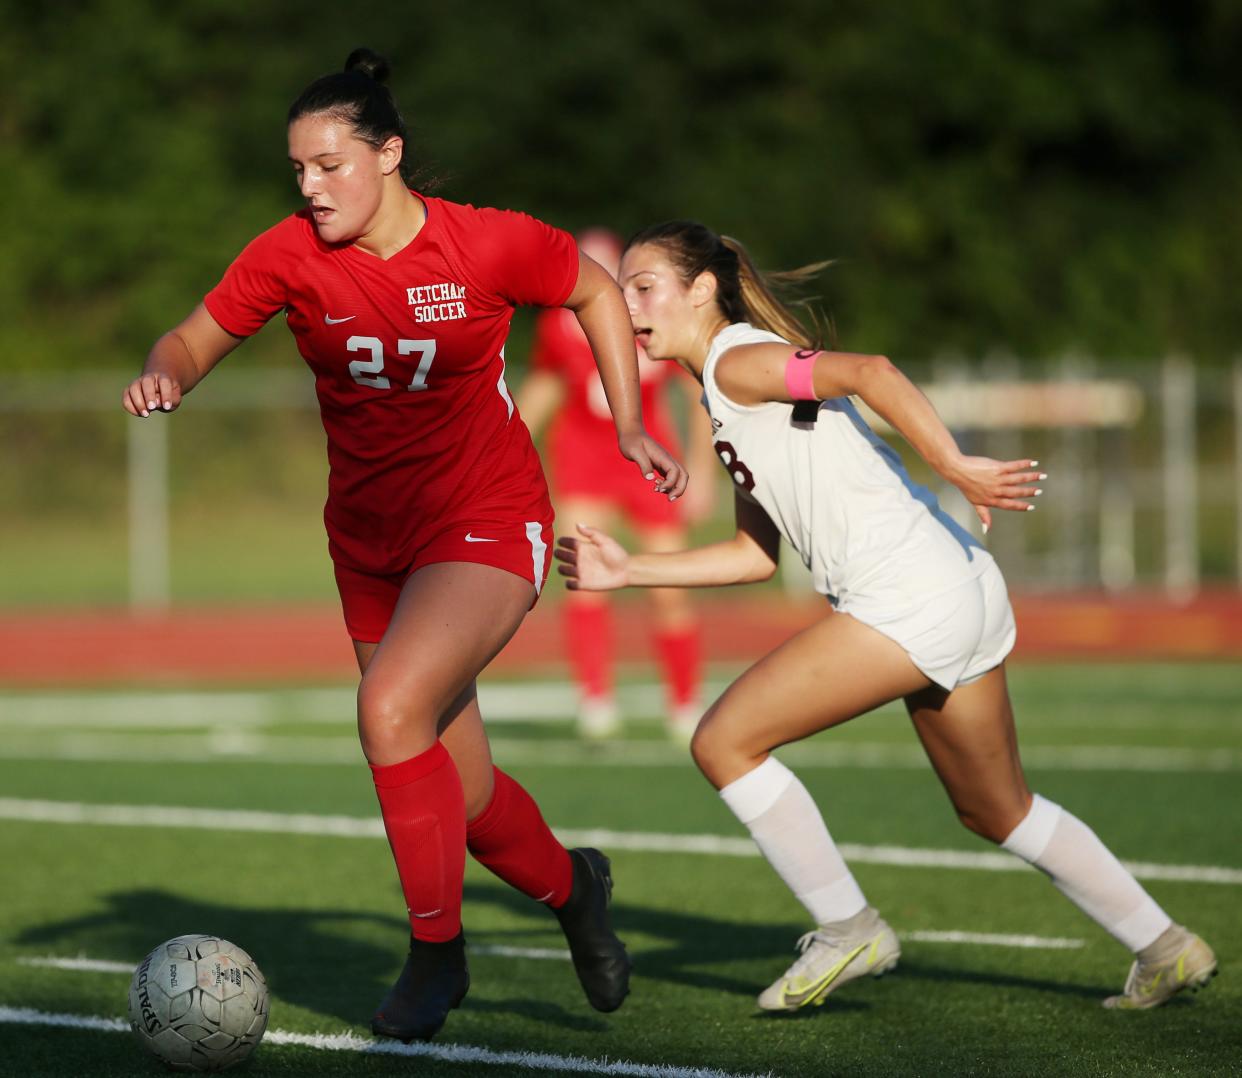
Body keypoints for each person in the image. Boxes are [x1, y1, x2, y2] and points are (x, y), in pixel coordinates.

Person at [121, 50, 688, 1043]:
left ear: (390, 155)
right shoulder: (287, 255)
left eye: (330, 165)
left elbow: (596, 293)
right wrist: (164, 374)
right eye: (297, 169)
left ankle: (436, 955)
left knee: (388, 708)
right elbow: (191, 339)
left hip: (484, 512)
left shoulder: (483, 243)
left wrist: (634, 421)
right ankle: (574, 889)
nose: (310, 187)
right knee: (457, 793)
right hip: (370, 541)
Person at [556, 220, 1217, 1013]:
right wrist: (631, 570)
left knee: (724, 740)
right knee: (995, 808)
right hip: (960, 586)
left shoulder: (736, 361)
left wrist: (954, 464)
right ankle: (1166, 946)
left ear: (702, 289)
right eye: (622, 288)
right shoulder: (725, 386)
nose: (627, 306)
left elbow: (870, 369)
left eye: (644, 286)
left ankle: (848, 928)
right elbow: (754, 555)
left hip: (909, 597)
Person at [517, 228, 716, 740]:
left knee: (670, 587)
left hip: (647, 464)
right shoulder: (559, 327)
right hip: (584, 464)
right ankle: (595, 698)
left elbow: (697, 393)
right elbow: (543, 390)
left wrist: (701, 471)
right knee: (584, 581)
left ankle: (685, 701)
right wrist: (504, 456)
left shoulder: (650, 321)